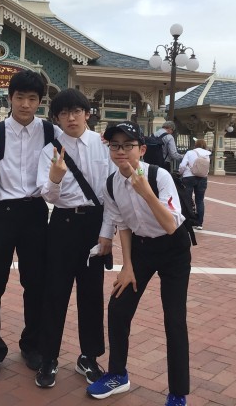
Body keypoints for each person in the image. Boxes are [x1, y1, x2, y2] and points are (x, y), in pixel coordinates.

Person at [86, 121, 192, 406]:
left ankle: (178, 392)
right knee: (118, 307)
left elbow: (170, 225)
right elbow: (122, 224)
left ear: (142, 149)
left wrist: (146, 191)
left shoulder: (159, 176)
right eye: (115, 145)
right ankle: (117, 374)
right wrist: (127, 266)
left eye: (128, 145)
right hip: (142, 249)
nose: (121, 151)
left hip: (174, 249)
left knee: (174, 319)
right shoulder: (111, 184)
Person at [0, 70, 61, 378]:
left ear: (40, 102)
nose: (25, 104)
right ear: (10, 98)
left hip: (35, 212)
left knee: (36, 283)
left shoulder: (51, 132)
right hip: (2, 213)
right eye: (20, 97)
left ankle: (32, 345)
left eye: (32, 98)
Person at [34, 89, 115, 388]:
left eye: (76, 111)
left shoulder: (103, 146)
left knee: (92, 294)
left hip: (94, 224)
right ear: (56, 118)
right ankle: (48, 358)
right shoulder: (50, 150)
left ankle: (88, 357)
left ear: (87, 113)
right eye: (64, 113)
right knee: (54, 292)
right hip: (63, 224)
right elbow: (47, 194)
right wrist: (55, 177)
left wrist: (107, 233)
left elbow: (112, 194)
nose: (71, 118)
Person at [179, 139, 211, 230]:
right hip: (202, 178)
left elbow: (183, 165)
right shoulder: (207, 154)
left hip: (188, 177)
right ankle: (199, 223)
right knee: (200, 200)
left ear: (195, 145)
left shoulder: (190, 152)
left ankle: (188, 221)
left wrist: (180, 173)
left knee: (187, 200)